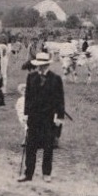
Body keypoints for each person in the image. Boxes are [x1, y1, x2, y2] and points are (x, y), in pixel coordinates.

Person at [18, 52, 65, 183]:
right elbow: (28, 97)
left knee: (48, 146)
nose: (40, 68)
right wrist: (26, 114)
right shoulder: (31, 77)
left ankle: (46, 173)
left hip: (48, 117)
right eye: (38, 65)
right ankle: (28, 173)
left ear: (47, 65)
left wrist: (59, 117)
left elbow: (60, 99)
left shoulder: (56, 79)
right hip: (34, 117)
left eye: (43, 65)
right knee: (30, 146)